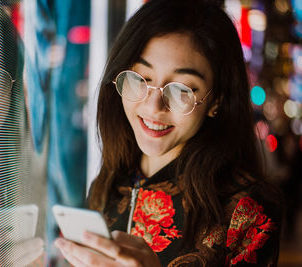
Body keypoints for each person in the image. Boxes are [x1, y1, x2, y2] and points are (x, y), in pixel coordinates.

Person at [55, 0, 283, 266]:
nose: (153, 107)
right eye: (141, 78)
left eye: (181, 90)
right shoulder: (107, 184)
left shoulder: (248, 209)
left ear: (217, 100)